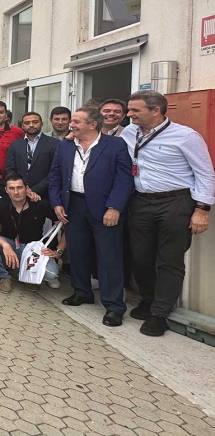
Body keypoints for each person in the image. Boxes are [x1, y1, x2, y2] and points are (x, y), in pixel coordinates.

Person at [122, 90, 214, 336]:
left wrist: (202, 210)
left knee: (169, 260)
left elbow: (205, 174)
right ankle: (148, 299)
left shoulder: (186, 137)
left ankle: (160, 313)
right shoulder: (129, 133)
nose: (129, 114)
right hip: (140, 202)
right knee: (140, 257)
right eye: (129, 109)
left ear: (156, 110)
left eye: (135, 110)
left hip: (175, 203)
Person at [49, 106, 133, 327]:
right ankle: (82, 291)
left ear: (92, 125)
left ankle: (114, 306)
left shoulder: (115, 145)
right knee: (77, 252)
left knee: (109, 256)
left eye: (76, 121)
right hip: (73, 205)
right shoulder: (65, 146)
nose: (71, 125)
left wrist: (115, 207)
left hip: (104, 208)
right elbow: (55, 175)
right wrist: (57, 202)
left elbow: (124, 179)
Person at [0, 173, 62, 293]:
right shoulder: (0, 204)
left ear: (26, 188)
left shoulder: (40, 204)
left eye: (19, 187)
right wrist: (5, 245)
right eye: (11, 188)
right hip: (11, 245)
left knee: (51, 274)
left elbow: (63, 225)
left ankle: (26, 275)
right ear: (6, 190)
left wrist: (58, 251)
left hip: (33, 249)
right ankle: (4, 277)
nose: (16, 192)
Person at [5, 112, 58, 199]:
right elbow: (10, 168)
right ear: (22, 126)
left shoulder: (54, 144)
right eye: (27, 123)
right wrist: (21, 187)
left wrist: (35, 189)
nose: (31, 125)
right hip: (19, 193)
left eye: (35, 122)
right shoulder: (15, 145)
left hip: (45, 194)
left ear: (42, 124)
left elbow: (55, 172)